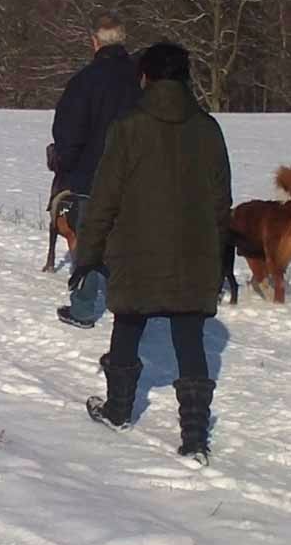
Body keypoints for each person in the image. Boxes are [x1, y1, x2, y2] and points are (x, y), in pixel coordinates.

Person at [75, 43, 232, 464]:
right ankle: (195, 438)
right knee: (189, 336)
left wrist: (87, 255)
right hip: (195, 253)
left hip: (136, 251)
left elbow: (104, 197)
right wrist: (221, 261)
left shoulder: (128, 127)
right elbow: (222, 204)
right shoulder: (209, 128)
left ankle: (119, 410)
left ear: (145, 78)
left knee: (127, 323)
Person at [52, 14, 143, 329]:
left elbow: (67, 133)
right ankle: (133, 310)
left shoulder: (84, 81)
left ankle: (84, 309)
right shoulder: (141, 80)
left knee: (90, 243)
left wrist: (65, 165)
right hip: (135, 177)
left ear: (95, 42)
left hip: (91, 177)